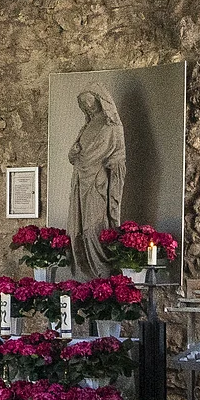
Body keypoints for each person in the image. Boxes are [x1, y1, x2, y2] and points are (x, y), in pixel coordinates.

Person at [67, 90, 127, 278]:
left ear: (101, 101)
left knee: (95, 225)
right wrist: (74, 153)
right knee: (82, 225)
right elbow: (75, 155)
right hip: (81, 181)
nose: (88, 107)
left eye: (90, 102)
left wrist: (82, 158)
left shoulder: (110, 126)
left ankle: (102, 271)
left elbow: (112, 154)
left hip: (97, 182)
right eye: (83, 104)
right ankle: (88, 273)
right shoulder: (86, 127)